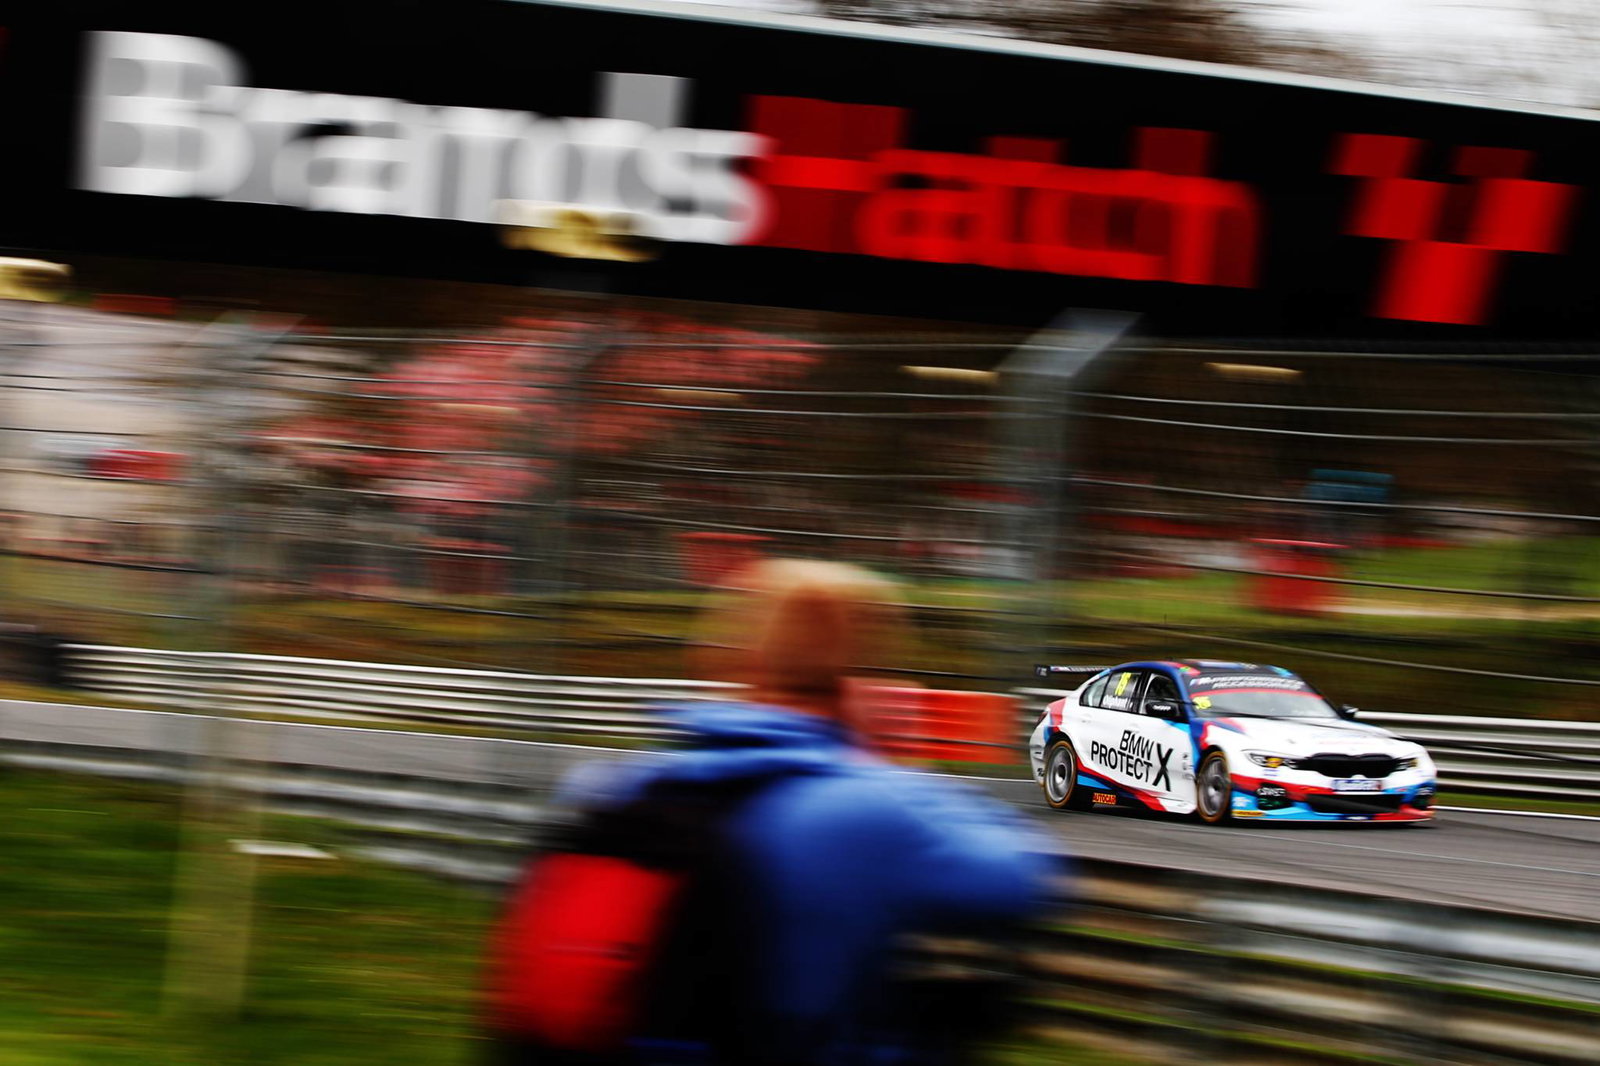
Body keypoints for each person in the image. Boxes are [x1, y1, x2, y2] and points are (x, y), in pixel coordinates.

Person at [487, 559, 1059, 1066]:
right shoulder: (875, 811)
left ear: (748, 664)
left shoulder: (612, 785)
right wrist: (896, 760)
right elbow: (1022, 875)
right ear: (863, 678)